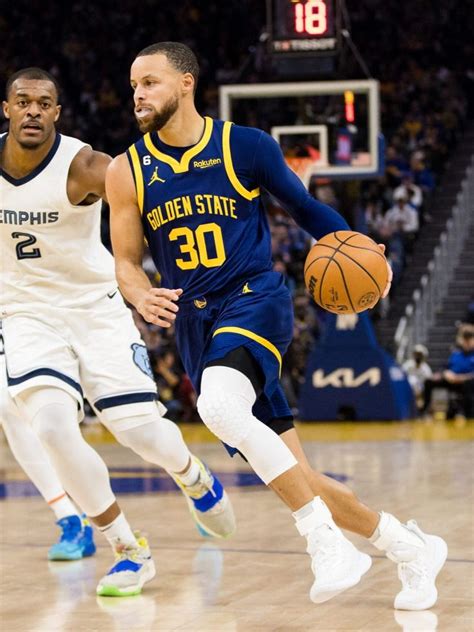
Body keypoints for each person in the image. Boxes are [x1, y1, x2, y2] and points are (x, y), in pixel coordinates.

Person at [108, 41, 447, 610]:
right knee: (295, 473)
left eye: (151, 81)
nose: (139, 94)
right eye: (134, 84)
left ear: (187, 82)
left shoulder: (245, 146)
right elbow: (124, 260)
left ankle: (325, 544)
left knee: (217, 407)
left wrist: (365, 253)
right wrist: (140, 295)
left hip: (255, 299)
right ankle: (410, 547)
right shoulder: (126, 170)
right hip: (196, 325)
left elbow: (311, 213)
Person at [0, 67, 236, 597]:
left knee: (138, 432)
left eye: (44, 103)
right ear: (7, 109)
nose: (33, 111)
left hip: (95, 308)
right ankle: (128, 548)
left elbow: (151, 201)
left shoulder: (83, 166)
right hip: (26, 315)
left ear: (57, 113)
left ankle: (192, 474)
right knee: (54, 429)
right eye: (23, 102)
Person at [1, 324, 95, 560]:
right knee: (8, 407)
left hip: (51, 310)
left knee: (135, 428)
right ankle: (71, 518)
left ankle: (190, 478)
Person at [421, 325, 474, 421]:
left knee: (468, 384)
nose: (467, 342)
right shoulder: (456, 354)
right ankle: (425, 412)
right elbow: (445, 366)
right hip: (451, 380)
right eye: (465, 338)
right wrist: (444, 373)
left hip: (467, 382)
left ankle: (468, 414)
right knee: (429, 381)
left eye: (469, 338)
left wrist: (461, 378)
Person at [402, 344, 433, 412]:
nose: (418, 356)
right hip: (407, 390)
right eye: (416, 354)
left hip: (421, 393)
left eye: (420, 354)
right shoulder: (407, 365)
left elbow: (428, 384)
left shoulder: (426, 369)